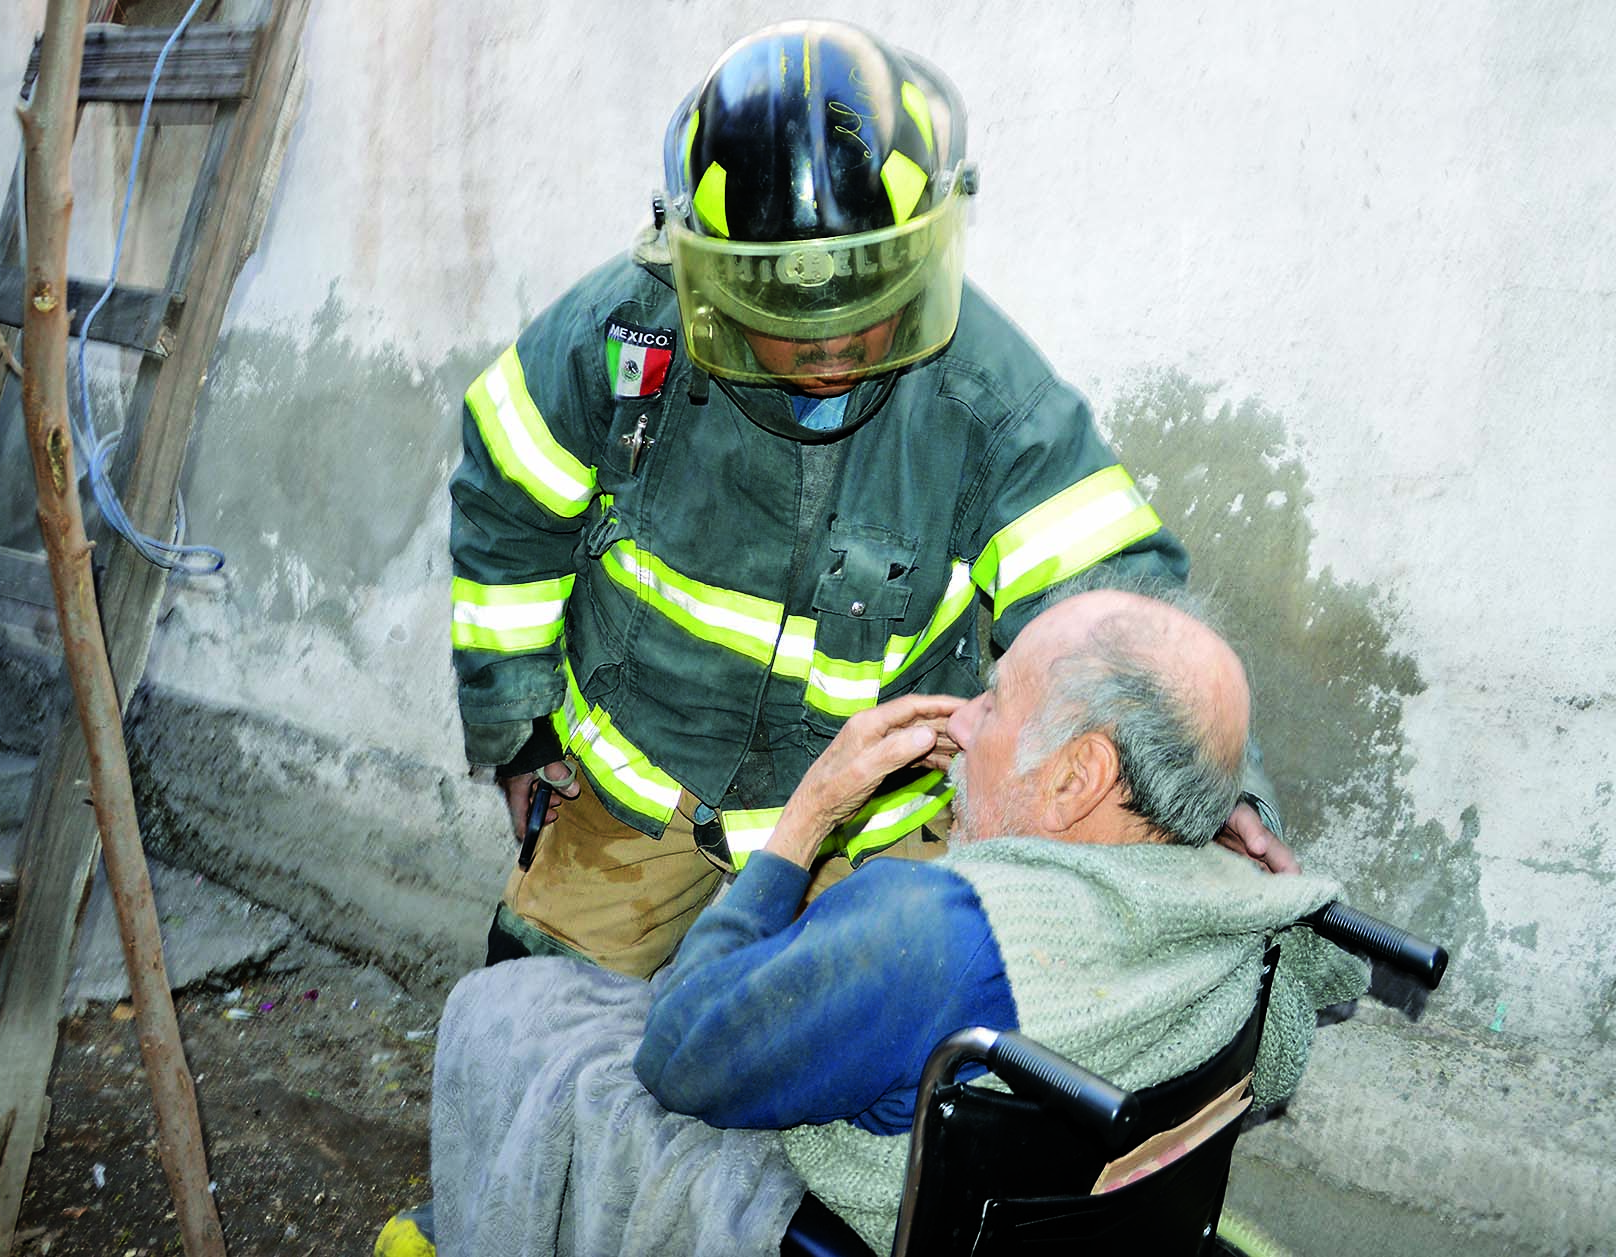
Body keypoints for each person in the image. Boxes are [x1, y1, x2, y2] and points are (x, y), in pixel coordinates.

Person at [450, 19, 1293, 983]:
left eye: (858, 309)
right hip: (644, 781)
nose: (830, 354)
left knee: (883, 1073)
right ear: (710, 280)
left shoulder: (990, 401)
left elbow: (1127, 623)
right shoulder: (617, 338)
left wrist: (1212, 789)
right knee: (527, 1015)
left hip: (875, 817)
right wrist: (517, 731)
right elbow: (506, 515)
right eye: (788, 321)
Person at [409, 584, 1366, 1256]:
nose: (963, 722)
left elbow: (678, 1051)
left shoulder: (934, 929)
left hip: (862, 1225)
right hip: (1067, 1216)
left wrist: (809, 812)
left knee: (517, 1009)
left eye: (996, 701)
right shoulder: (1257, 912)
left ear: (1077, 776)